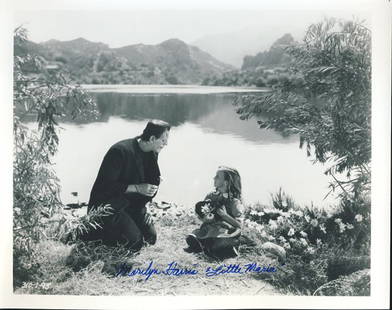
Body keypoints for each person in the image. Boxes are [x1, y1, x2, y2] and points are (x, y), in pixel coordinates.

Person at [81, 120, 170, 252]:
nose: (166, 144)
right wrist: (138, 188)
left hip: (131, 205)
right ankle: (92, 232)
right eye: (163, 140)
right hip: (108, 206)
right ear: (152, 138)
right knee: (135, 242)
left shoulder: (152, 152)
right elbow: (106, 186)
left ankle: (122, 227)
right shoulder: (120, 151)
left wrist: (154, 185)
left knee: (150, 238)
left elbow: (149, 180)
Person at [184, 166, 244, 259]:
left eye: (217, 177)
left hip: (225, 231)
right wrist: (205, 218)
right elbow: (202, 215)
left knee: (219, 239)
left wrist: (225, 215)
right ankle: (205, 247)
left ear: (226, 182)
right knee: (196, 234)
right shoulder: (210, 196)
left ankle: (222, 249)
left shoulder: (234, 202)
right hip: (209, 228)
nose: (214, 178)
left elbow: (239, 226)